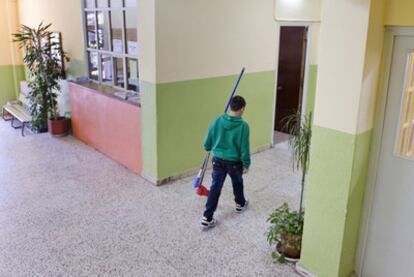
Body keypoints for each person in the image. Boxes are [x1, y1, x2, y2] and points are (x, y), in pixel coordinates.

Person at [200, 95, 250, 230]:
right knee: (237, 183)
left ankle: (207, 217)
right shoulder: (244, 126)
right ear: (242, 109)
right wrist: (246, 164)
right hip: (235, 162)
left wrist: (209, 147)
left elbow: (207, 143)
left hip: (218, 161)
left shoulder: (218, 120)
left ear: (230, 106)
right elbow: (244, 148)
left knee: (215, 187)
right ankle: (240, 204)